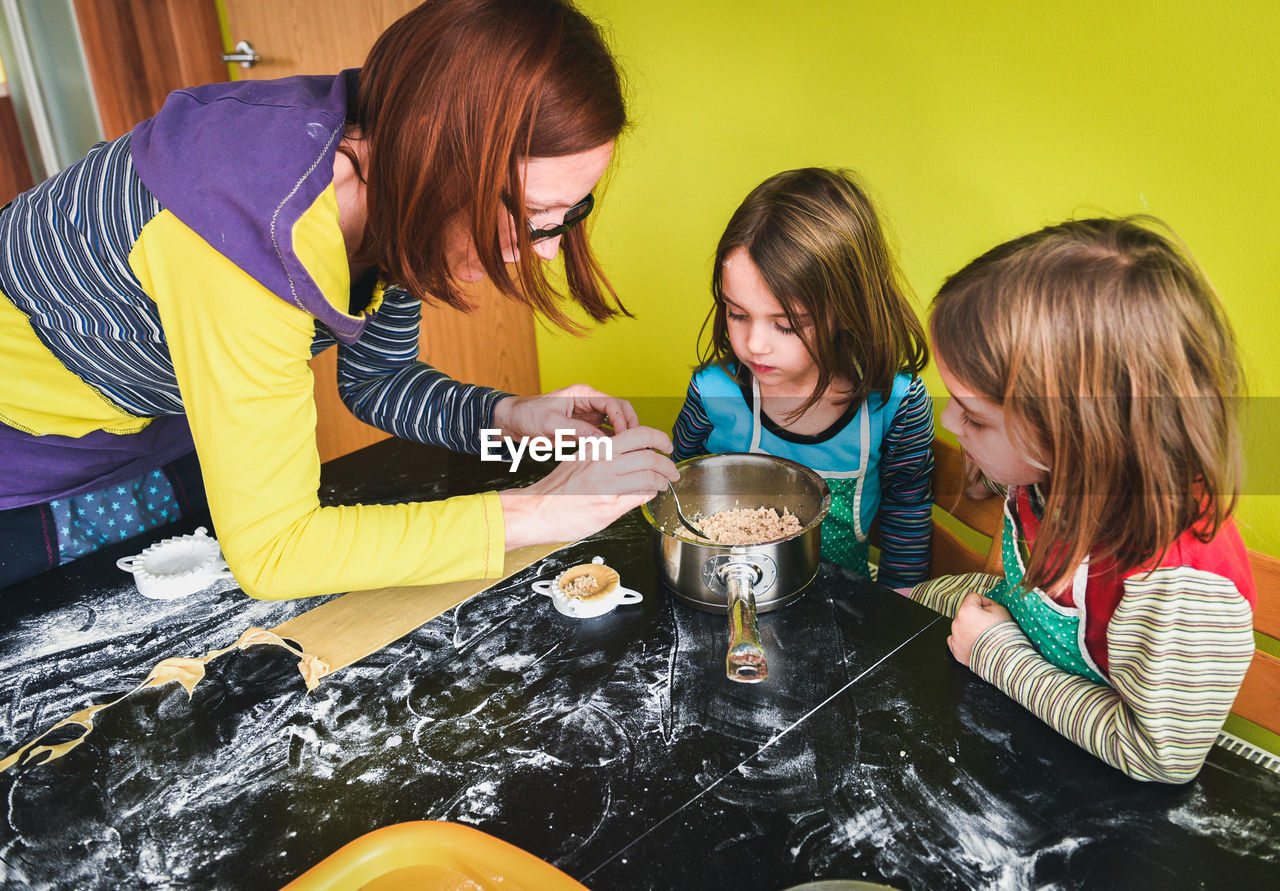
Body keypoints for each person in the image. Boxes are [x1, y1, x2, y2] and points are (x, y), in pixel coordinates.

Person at [0, 0, 678, 596]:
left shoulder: (397, 176)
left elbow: (377, 380)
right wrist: (538, 510)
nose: (547, 249)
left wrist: (511, 418)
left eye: (570, 212)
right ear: (436, 158)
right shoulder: (241, 235)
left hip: (161, 421)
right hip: (25, 452)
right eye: (532, 215)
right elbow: (274, 551)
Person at [912, 217, 1256, 783]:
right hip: (1012, 647)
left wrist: (1000, 657)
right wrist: (993, 470)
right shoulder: (1062, 469)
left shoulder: (1181, 589)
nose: (949, 422)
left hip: (1089, 781)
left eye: (973, 416)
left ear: (1077, 437)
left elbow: (1160, 757)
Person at [672, 168, 934, 587]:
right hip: (724, 593)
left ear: (848, 309)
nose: (755, 343)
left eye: (788, 325)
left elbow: (908, 507)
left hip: (843, 604)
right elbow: (674, 486)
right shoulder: (712, 393)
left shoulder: (896, 401)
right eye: (738, 314)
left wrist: (897, 600)